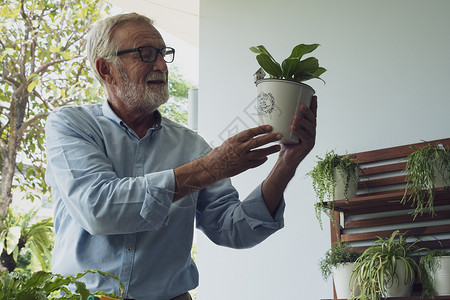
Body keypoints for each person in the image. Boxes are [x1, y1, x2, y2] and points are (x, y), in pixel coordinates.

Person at [45, 12, 318, 300]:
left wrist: (286, 164)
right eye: (146, 54)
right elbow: (98, 208)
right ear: (106, 69)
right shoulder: (71, 125)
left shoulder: (191, 145)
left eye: (164, 54)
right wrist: (209, 169)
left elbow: (233, 229)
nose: (161, 65)